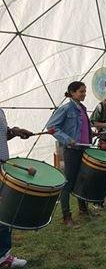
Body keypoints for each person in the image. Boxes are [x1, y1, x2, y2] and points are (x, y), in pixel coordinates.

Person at [46, 81, 93, 228]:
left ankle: (83, 209)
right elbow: (52, 127)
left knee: (82, 179)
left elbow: (83, 128)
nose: (84, 94)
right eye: (81, 91)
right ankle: (67, 217)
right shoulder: (66, 109)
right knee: (68, 183)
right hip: (72, 150)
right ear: (72, 93)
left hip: (83, 148)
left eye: (85, 91)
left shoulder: (82, 108)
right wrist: (67, 140)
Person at [0, 108, 30, 267]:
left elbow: (3, 135)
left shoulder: (0, 111)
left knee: (5, 212)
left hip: (2, 168)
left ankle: (4, 256)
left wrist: (15, 131)